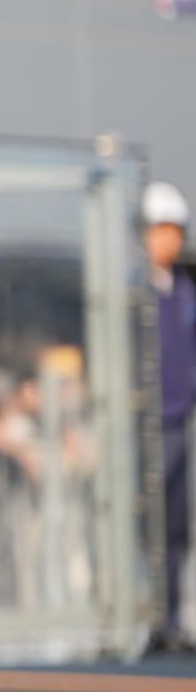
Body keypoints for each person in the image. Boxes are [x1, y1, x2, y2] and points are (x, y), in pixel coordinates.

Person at [146, 181, 194, 653]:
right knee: (144, 526)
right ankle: (141, 618)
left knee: (176, 528)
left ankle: (172, 622)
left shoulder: (184, 292)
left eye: (175, 230)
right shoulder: (131, 293)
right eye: (161, 229)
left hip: (178, 425)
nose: (169, 239)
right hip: (141, 431)